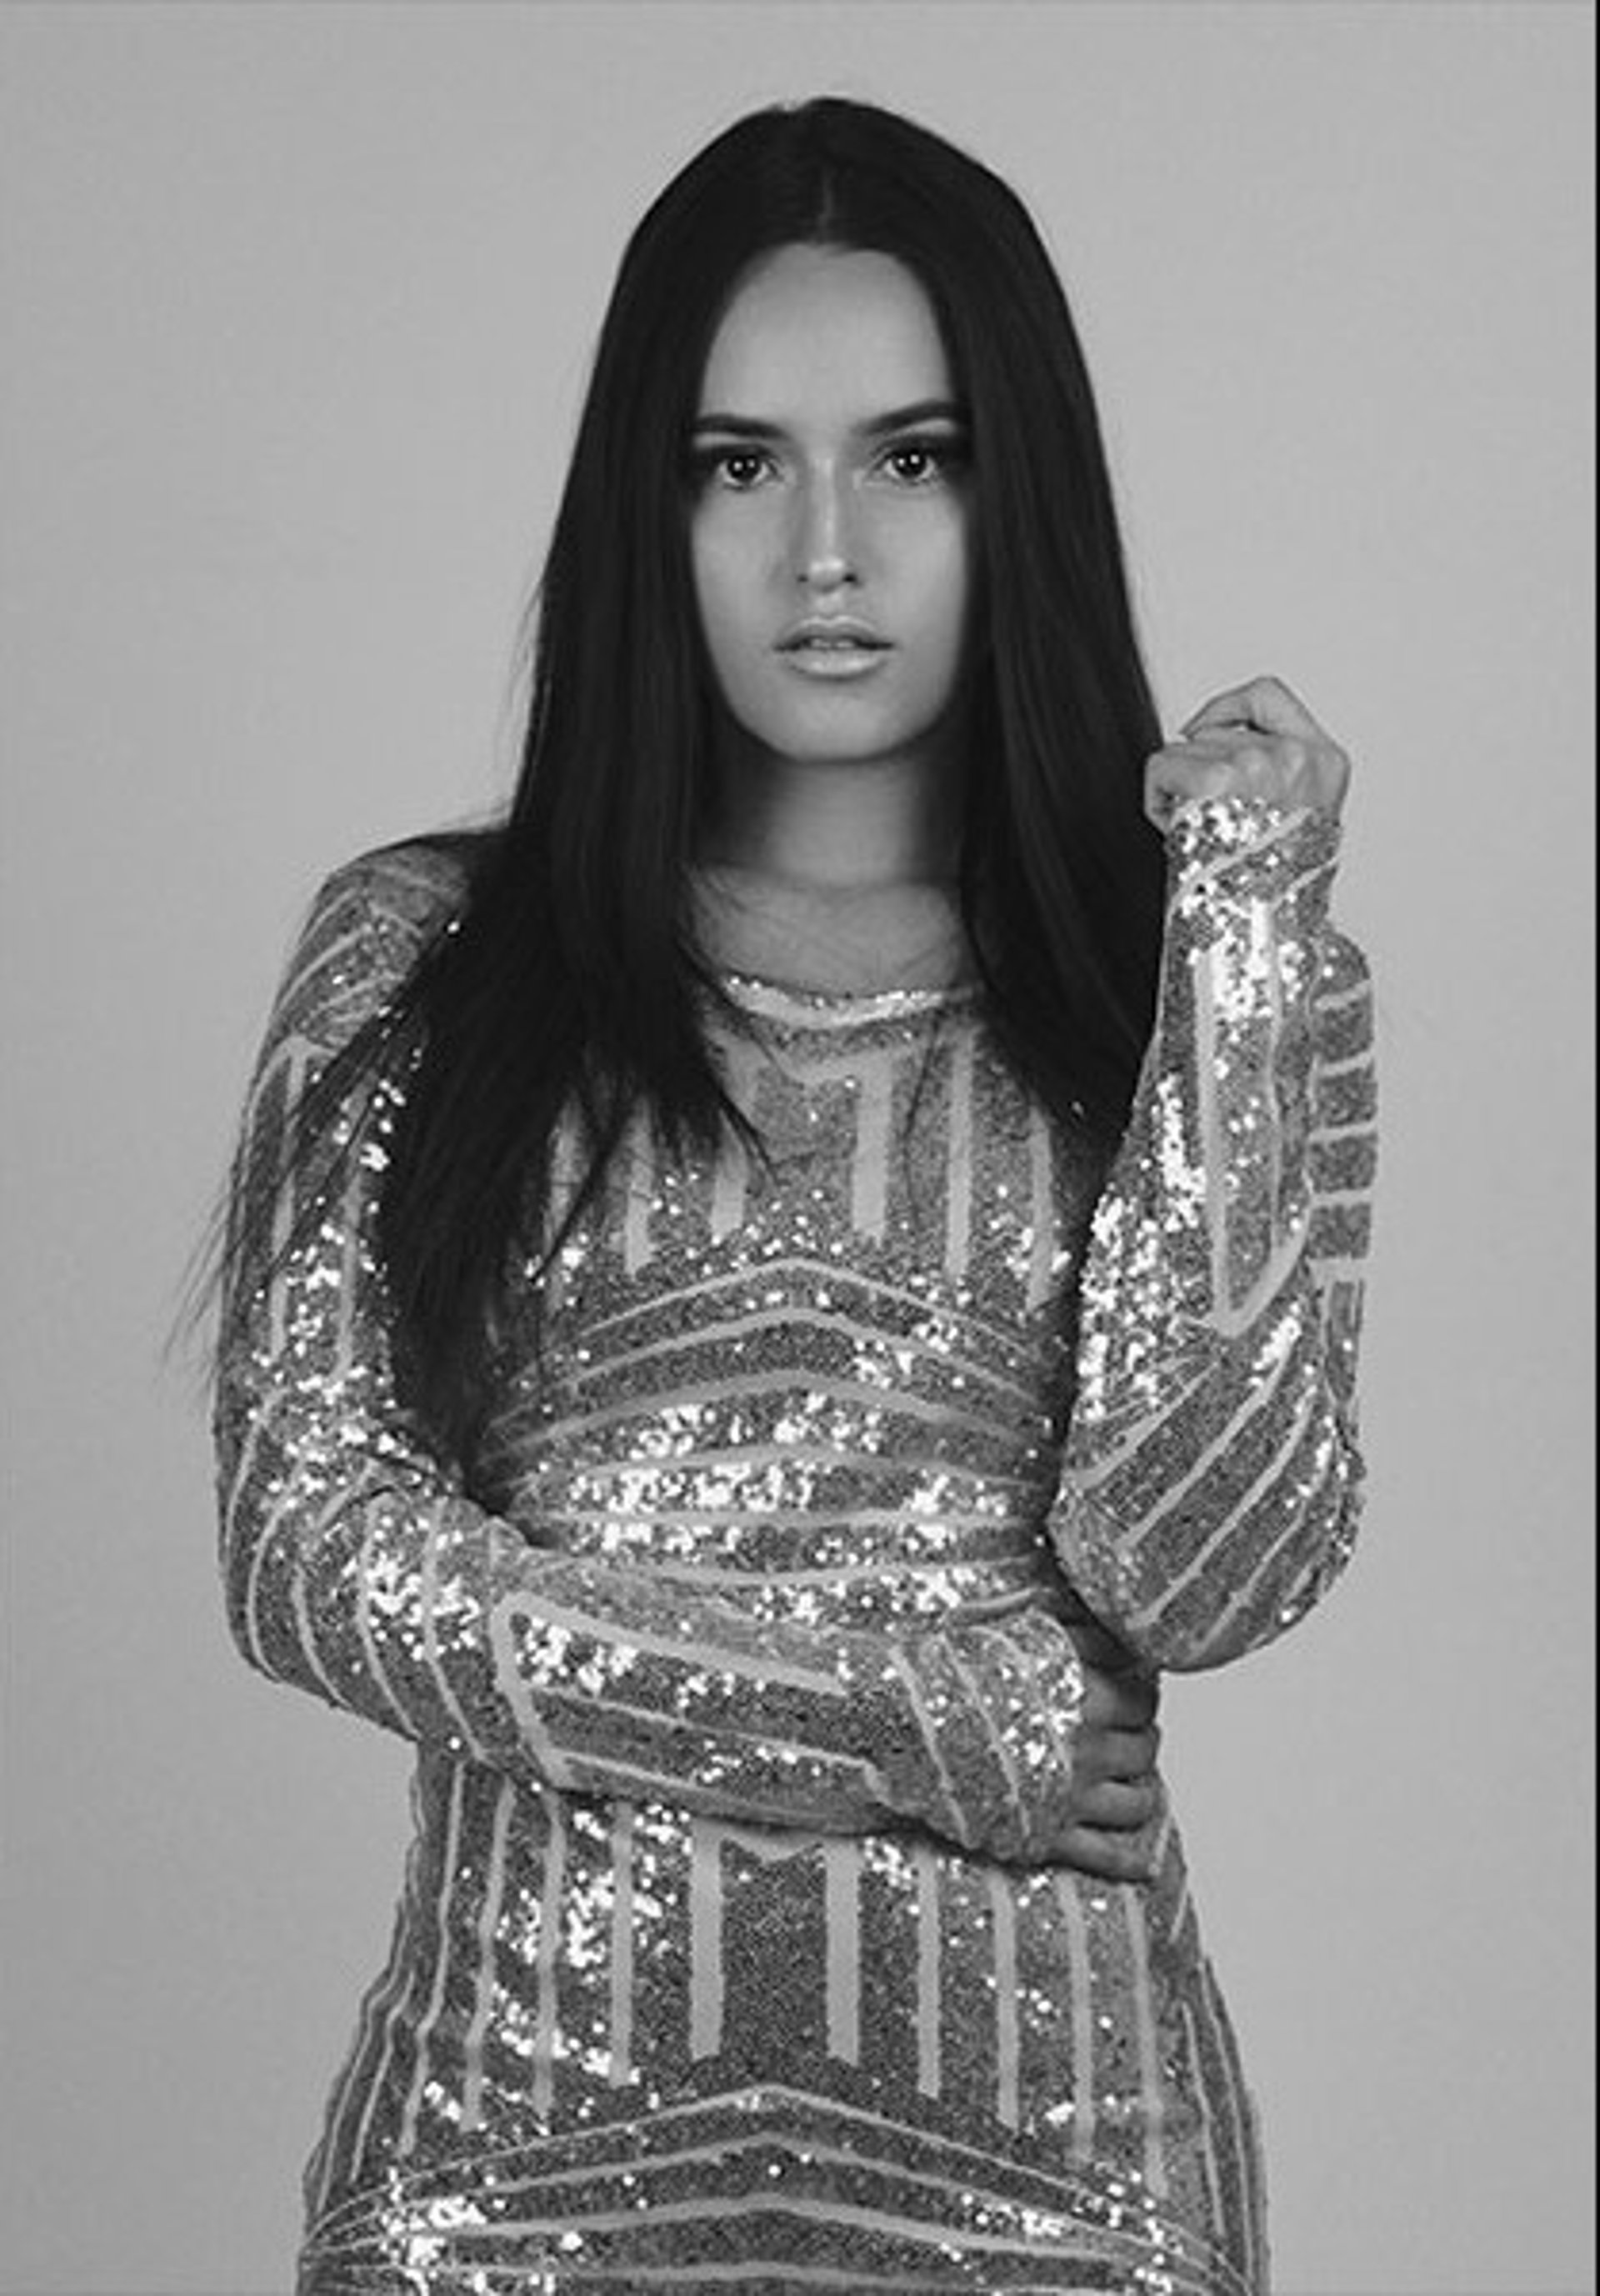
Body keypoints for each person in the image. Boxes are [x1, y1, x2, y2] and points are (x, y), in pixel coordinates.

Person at [212, 96, 1376, 2296]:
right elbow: (307, 1554)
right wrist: (906, 1718)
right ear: (642, 509)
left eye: (914, 458)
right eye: (739, 464)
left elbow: (1206, 1564)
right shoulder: (423, 959)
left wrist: (1240, 924)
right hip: (508, 2184)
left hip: (1065, 2191)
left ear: (1021, 492)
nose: (825, 552)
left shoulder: (1207, 982)